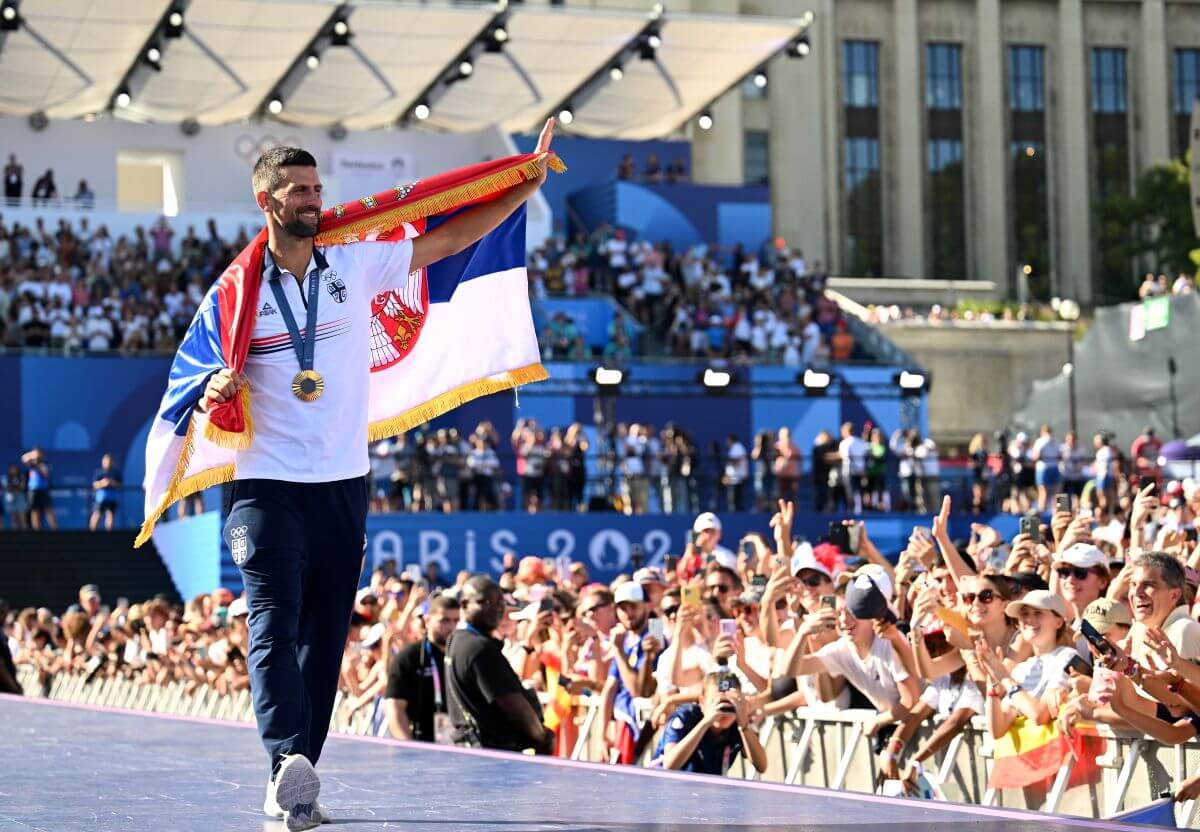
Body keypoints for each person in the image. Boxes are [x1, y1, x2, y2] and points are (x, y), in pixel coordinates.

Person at [208, 121, 557, 832]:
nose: (312, 199)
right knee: (273, 621)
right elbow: (198, 377)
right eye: (297, 190)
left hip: (342, 482)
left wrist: (524, 185)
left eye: (315, 188)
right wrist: (215, 388)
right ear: (265, 200)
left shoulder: (353, 264)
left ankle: (296, 778)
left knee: (326, 635)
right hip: (265, 483)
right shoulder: (234, 292)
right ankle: (283, 763)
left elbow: (451, 239)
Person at [445, 576, 553, 754]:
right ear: (464, 605)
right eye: (485, 601)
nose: (496, 608)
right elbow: (514, 705)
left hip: (474, 752)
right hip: (493, 757)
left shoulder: (457, 640)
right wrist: (542, 736)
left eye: (500, 602)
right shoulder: (479, 647)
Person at [656, 669, 768, 775]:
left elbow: (762, 766)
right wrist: (705, 723)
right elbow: (669, 766)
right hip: (666, 785)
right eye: (716, 701)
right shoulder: (686, 716)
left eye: (730, 702)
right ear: (702, 702)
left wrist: (744, 725)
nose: (723, 708)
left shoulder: (740, 724)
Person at [384, 595, 460, 742]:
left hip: (461, 746)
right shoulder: (409, 657)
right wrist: (409, 748)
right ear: (427, 621)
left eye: (456, 621)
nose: (451, 627)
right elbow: (395, 708)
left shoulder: (464, 655)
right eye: (444, 620)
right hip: (422, 745)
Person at [21, 447, 55, 530]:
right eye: (36, 453)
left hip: (43, 490)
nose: (37, 456)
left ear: (42, 454)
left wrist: (37, 465)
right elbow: (23, 458)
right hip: (32, 491)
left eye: (39, 453)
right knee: (34, 510)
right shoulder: (31, 463)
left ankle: (55, 530)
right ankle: (36, 530)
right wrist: (31, 455)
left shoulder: (45, 463)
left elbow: (45, 473)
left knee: (48, 509)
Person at [89, 453, 122, 531]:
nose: (107, 463)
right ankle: (91, 535)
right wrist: (102, 483)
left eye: (109, 461)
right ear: (103, 462)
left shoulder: (116, 472)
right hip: (101, 498)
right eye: (106, 461)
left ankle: (109, 537)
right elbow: (94, 485)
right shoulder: (99, 472)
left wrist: (111, 482)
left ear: (112, 462)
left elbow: (119, 485)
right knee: (96, 515)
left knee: (110, 516)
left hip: (112, 498)